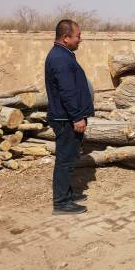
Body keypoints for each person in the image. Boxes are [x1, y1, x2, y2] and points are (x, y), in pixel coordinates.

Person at [45, 19, 95, 215]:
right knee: (64, 161)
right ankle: (61, 203)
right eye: (78, 36)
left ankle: (67, 194)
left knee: (69, 158)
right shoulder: (60, 58)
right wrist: (77, 117)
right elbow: (67, 92)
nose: (80, 39)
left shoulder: (63, 54)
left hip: (67, 117)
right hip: (65, 119)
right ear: (65, 38)